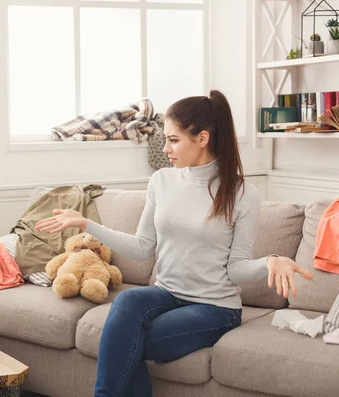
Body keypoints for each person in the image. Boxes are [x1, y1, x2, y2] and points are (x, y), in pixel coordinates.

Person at [35, 90, 314, 397]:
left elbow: (235, 270)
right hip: (166, 293)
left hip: (214, 308)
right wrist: (87, 224)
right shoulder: (162, 181)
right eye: (165, 139)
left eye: (174, 139)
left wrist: (269, 262)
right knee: (127, 303)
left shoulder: (242, 193)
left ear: (203, 138)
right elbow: (143, 246)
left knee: (128, 341)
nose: (165, 148)